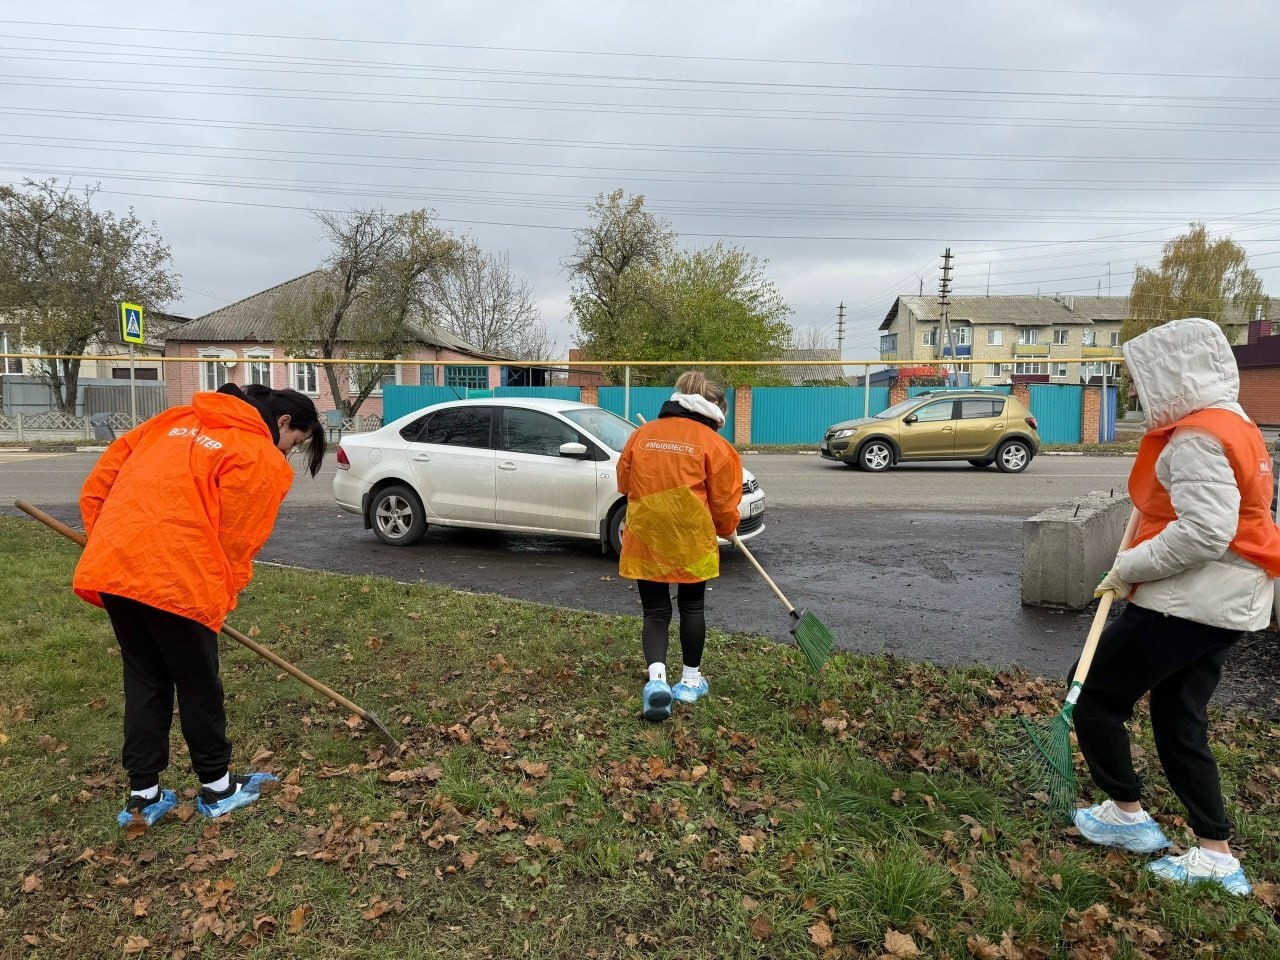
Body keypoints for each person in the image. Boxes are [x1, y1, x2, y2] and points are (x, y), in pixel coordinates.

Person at [1072, 317, 1280, 896]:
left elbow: (1205, 532)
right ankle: (1215, 851)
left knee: (1093, 695)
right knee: (1178, 715)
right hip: (1228, 599)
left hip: (1191, 600)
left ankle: (1127, 817)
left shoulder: (1197, 437)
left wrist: (1126, 569)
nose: (1137, 390)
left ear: (1172, 373)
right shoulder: (1233, 422)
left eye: (1142, 378)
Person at [72, 382, 325, 828]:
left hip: (117, 567)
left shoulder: (171, 422)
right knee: (197, 683)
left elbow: (100, 483)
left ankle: (144, 795)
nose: (287, 451)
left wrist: (109, 544)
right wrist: (218, 598)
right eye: (295, 442)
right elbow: (238, 541)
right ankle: (218, 788)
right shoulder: (256, 454)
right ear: (283, 422)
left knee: (145, 678)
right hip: (179, 579)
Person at [616, 371, 743, 721]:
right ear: (715, 409)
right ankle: (689, 682)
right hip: (691, 539)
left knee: (655, 611)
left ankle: (657, 680)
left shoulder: (641, 435)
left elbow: (624, 482)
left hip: (647, 535)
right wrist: (728, 527)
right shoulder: (717, 446)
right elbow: (723, 502)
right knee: (691, 606)